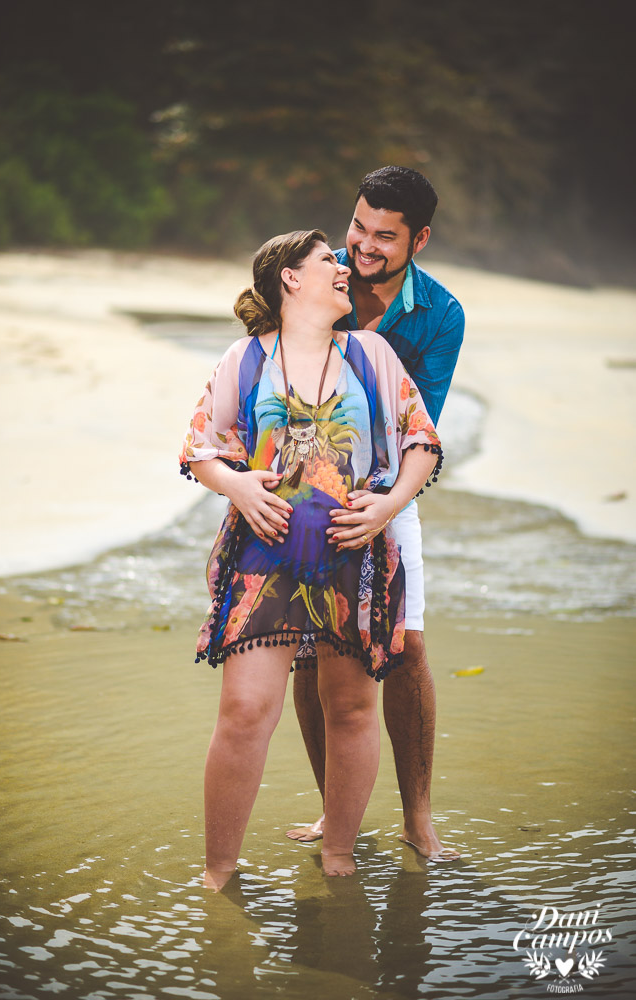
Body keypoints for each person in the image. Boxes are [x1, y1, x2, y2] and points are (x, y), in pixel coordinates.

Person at [179, 229, 442, 890]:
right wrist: (237, 484)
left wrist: (387, 506)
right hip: (263, 553)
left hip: (353, 548)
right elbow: (199, 448)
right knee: (243, 710)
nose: (344, 267)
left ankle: (339, 855)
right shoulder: (243, 359)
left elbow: (420, 442)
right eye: (329, 259)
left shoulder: (372, 354)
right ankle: (217, 872)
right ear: (289, 278)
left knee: (349, 707)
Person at [287, 166, 464, 862]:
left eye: (383, 237)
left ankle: (417, 820)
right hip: (303, 498)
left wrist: (385, 505)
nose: (360, 247)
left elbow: (421, 431)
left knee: (408, 648)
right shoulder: (313, 276)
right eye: (357, 226)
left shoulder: (439, 314)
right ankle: (339, 817)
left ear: (418, 238)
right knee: (311, 652)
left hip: (388, 494)